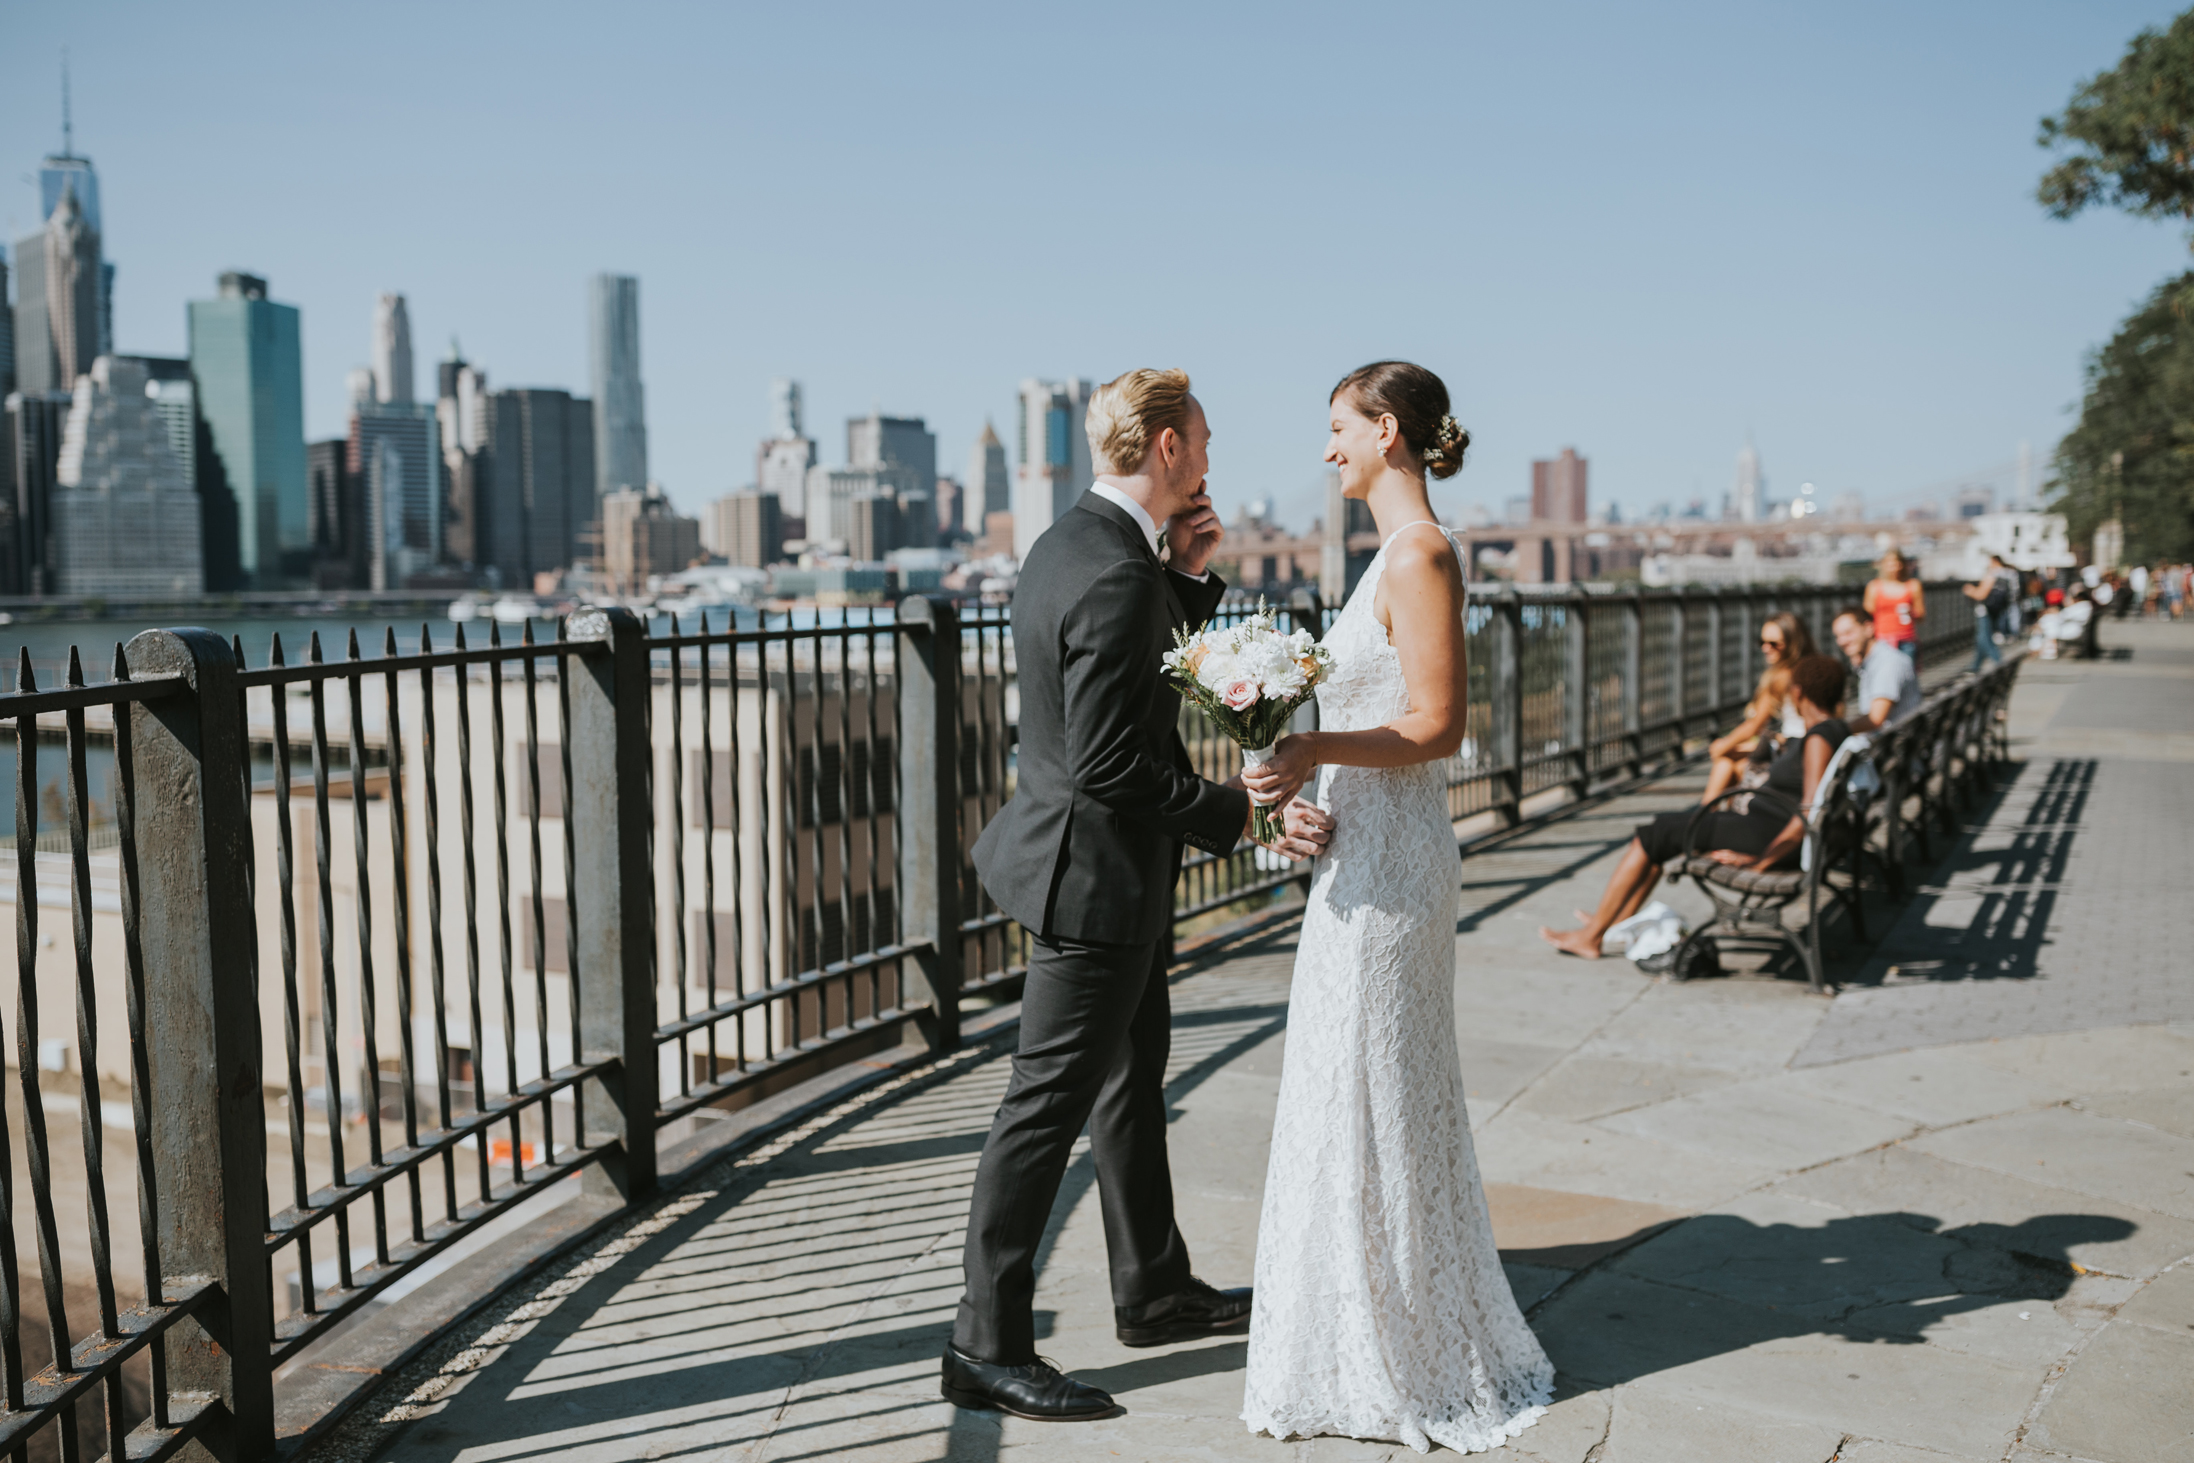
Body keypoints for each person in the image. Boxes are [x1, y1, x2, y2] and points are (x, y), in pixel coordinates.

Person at [944, 369, 1335, 1422]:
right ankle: (983, 1343)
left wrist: (1190, 578)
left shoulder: (1078, 544)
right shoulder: (1115, 571)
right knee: (1044, 1105)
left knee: (1128, 1083)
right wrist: (1245, 819)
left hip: (1095, 869)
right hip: (1096, 880)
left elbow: (1113, 669)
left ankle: (1153, 1286)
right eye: (1201, 437)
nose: (1210, 456)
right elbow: (1113, 761)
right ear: (1164, 445)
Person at [1237, 362, 1553, 1451]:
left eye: (1338, 429)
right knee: (1345, 1087)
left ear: (1385, 432)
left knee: (1377, 1088)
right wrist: (1301, 799)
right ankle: (1359, 1331)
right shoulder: (1382, 558)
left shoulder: (1419, 553)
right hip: (1354, 852)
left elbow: (1437, 726)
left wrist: (1312, 744)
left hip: (1398, 867)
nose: (1327, 451)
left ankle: (1407, 1351)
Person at [1538, 653, 1852, 959]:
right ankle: (1611, 924)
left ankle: (1592, 936)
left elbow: (1811, 811)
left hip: (1767, 834)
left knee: (1657, 832)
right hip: (1767, 826)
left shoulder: (1818, 739)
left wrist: (1760, 863)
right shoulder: (1835, 730)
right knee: (1662, 832)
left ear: (1797, 692)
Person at [1700, 611, 1816, 804]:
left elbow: (1755, 725)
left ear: (1793, 643)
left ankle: (1703, 821)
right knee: (1732, 760)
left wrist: (1723, 746)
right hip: (1801, 752)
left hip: (1792, 757)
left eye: (1774, 644)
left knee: (1726, 761)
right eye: (1762, 642)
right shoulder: (1811, 669)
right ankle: (1708, 821)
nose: (1765, 648)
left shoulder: (1781, 676)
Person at [1831, 605, 1922, 732]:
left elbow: (1875, 719)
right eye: (1837, 636)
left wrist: (1835, 732)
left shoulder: (1888, 662)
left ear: (1869, 628)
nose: (1841, 641)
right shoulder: (1874, 659)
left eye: (1848, 633)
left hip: (1896, 744)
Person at [1864, 548, 1925, 657]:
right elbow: (1867, 615)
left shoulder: (1913, 585)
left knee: (1907, 672)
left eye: (1896, 563)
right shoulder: (1874, 586)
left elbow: (1921, 615)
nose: (1893, 567)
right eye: (1889, 563)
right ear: (1883, 565)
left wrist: (1911, 613)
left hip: (1906, 639)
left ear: (1902, 565)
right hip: (1881, 639)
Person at [1961, 553, 2012, 670]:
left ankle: (1999, 662)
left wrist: (1969, 590)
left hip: (1985, 610)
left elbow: (1981, 594)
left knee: (1984, 638)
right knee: (1981, 638)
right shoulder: (2006, 574)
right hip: (1997, 610)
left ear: (1994, 561)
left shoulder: (1992, 574)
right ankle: (1975, 666)